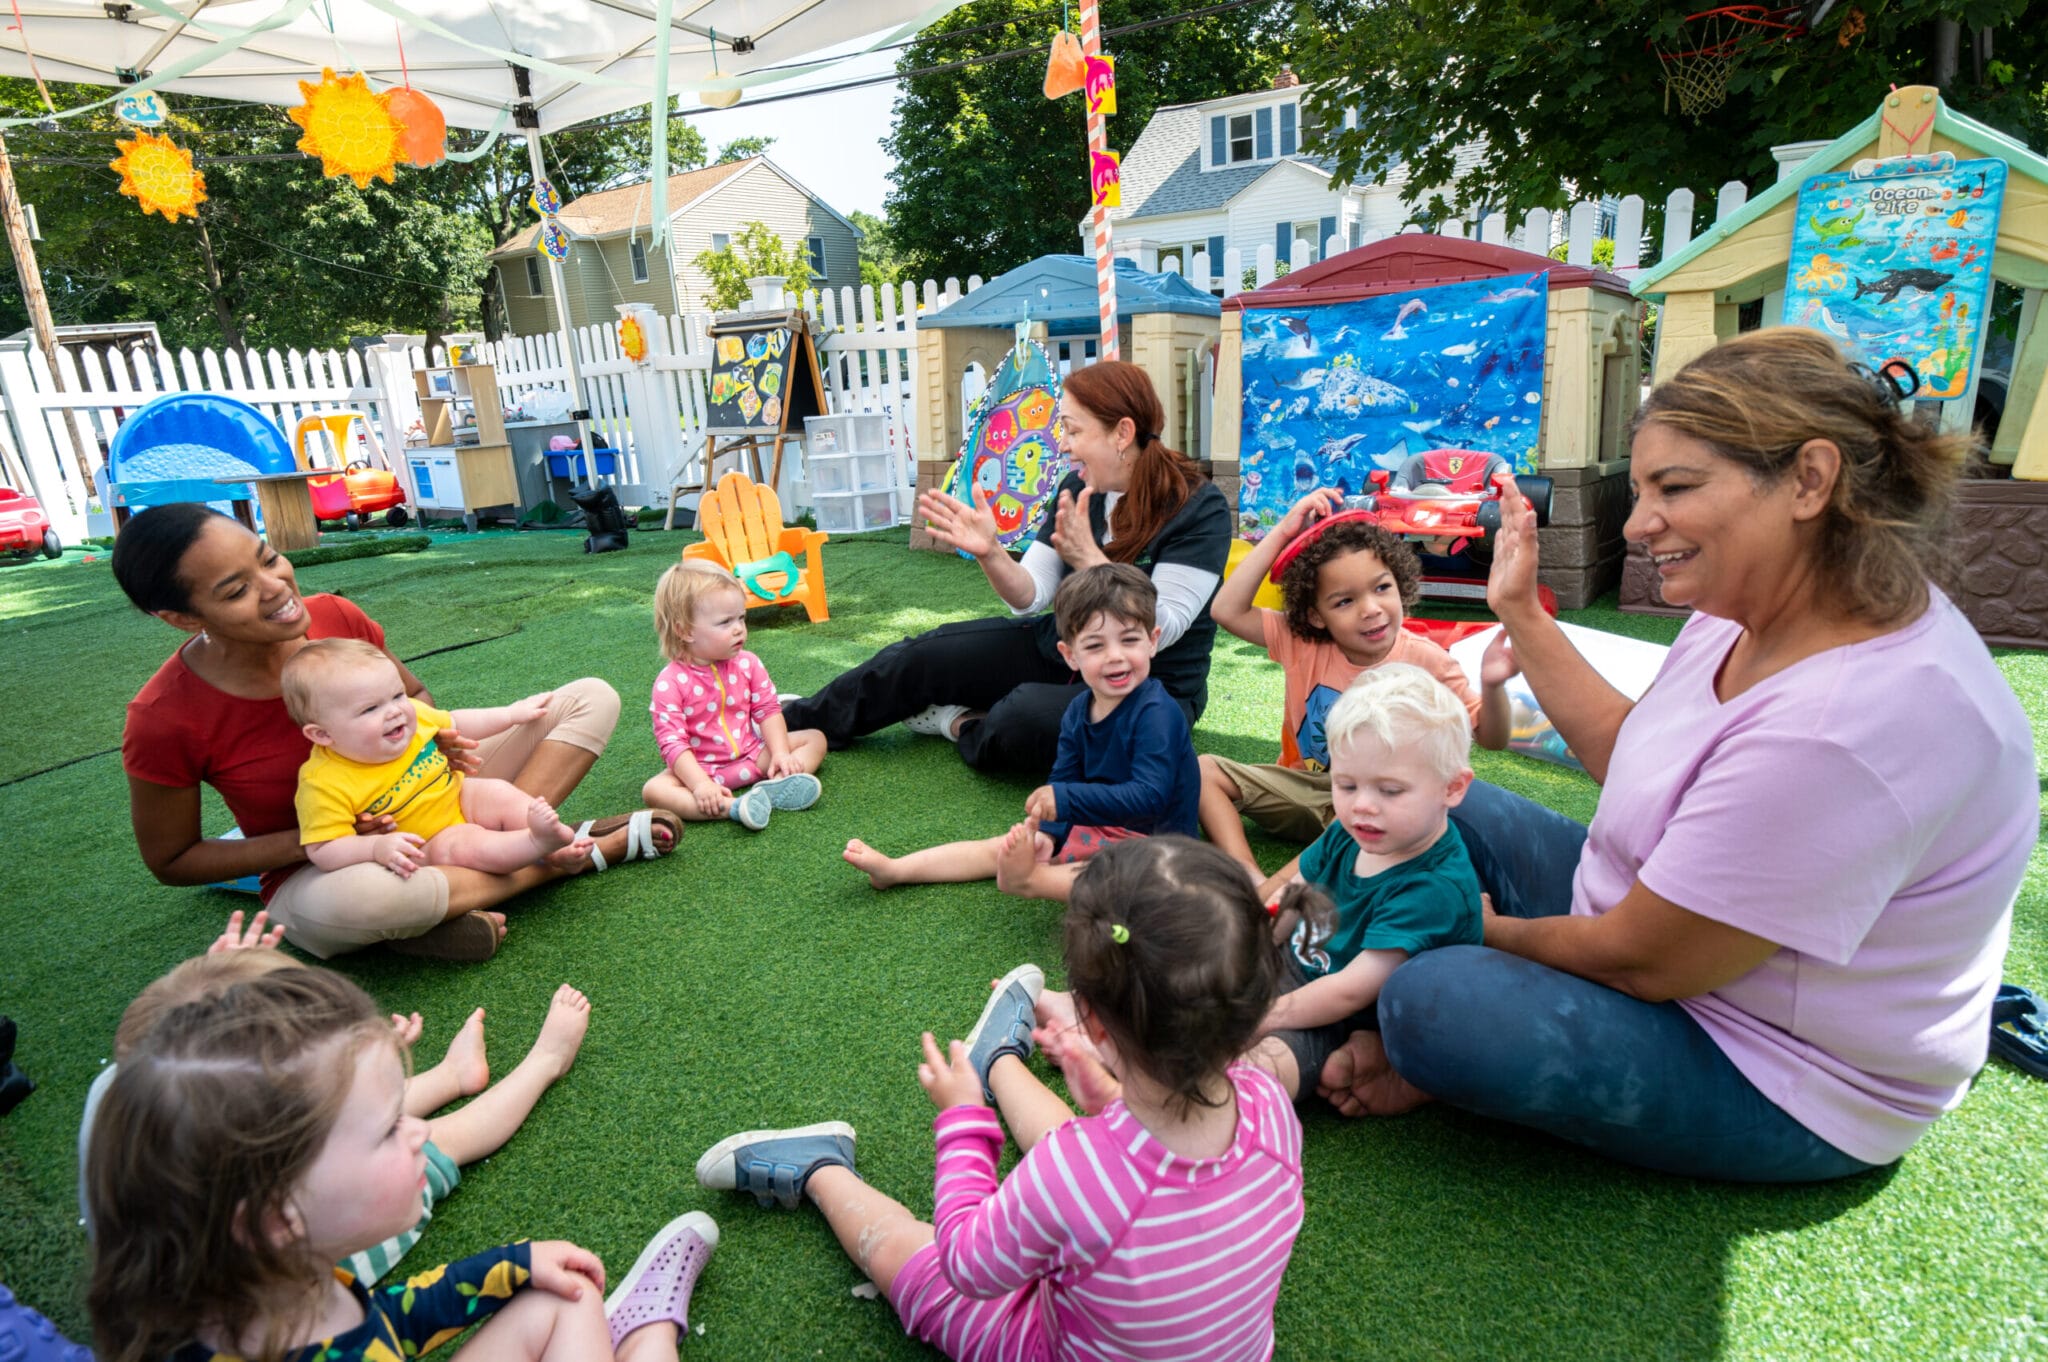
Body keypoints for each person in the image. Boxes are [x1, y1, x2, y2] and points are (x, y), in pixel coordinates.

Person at [1319, 330, 2038, 1182]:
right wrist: (1518, 609)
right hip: (1657, 922)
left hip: (1780, 1065)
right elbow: (1636, 752)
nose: (1638, 520)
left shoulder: (1851, 725)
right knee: (1431, 796)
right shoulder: (1753, 603)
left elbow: (1644, 959)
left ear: (1809, 480)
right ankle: (1348, 981)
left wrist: (1479, 930)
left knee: (1432, 1005)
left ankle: (1384, 1014)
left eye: (1676, 487)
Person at [695, 836, 1305, 1362]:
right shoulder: (1269, 1106)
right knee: (1105, 1164)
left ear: (1090, 1022)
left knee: (927, 1269)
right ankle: (1000, 1063)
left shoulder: (1076, 1171)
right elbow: (1147, 1185)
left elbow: (966, 1263)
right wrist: (1108, 1105)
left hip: (1058, 1341)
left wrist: (963, 1121)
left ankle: (821, 1168)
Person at [113, 504, 678, 963]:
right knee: (368, 901)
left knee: (588, 699)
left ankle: (459, 894)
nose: (276, 587)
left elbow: (417, 699)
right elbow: (174, 860)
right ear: (184, 618)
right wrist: (326, 840)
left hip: (436, 797)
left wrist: (436, 740)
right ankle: (567, 852)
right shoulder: (165, 716)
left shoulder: (333, 616)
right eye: (236, 590)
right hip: (327, 866)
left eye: (270, 559)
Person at [84, 966, 716, 1362]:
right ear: (280, 1217)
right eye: (389, 1130)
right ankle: (647, 1339)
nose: (419, 1133)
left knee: (563, 1297)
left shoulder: (286, 1287)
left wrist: (507, 1268)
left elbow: (388, 1320)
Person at [76, 910, 590, 1289]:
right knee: (439, 1141)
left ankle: (449, 1077)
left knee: (342, 1116)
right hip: (302, 1240)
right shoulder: (295, 1302)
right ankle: (544, 1062)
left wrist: (225, 1005)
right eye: (388, 1127)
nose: (408, 1129)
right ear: (277, 1213)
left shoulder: (130, 1094)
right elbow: (404, 1316)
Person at [1045, 665, 1483, 1109]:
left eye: (1390, 791)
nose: (1363, 806)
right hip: (1290, 967)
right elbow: (1292, 894)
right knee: (1197, 965)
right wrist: (1241, 951)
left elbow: (1352, 989)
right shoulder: (1352, 831)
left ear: (1453, 788)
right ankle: (1093, 1013)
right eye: (1346, 784)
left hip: (1343, 1017)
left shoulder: (1433, 885)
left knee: (1267, 1062)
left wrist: (1264, 1016)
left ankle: (1176, 1097)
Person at [780, 360, 1233, 776]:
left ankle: (958, 722)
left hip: (1148, 685)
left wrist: (1092, 562)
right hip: (1062, 649)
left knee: (1024, 720)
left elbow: (1166, 628)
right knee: (925, 656)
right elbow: (1031, 596)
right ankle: (784, 722)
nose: (1065, 448)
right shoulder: (1077, 486)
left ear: (1122, 432)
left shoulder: (1197, 505)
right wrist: (991, 551)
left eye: (1073, 432)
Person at [1198, 487, 1510, 878]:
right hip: (1303, 787)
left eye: (1382, 588)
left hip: (1374, 803)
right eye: (1344, 602)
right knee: (1203, 770)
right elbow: (1226, 610)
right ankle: (1248, 873)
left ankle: (1274, 892)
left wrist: (1494, 686)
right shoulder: (1302, 641)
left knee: (1368, 828)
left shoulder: (1427, 660)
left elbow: (1492, 738)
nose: (1371, 610)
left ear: (1400, 583)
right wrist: (1281, 532)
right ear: (1315, 616)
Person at [843, 565, 1200, 903]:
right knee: (1006, 845)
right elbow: (1063, 775)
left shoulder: (1158, 712)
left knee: (1120, 878)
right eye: (1095, 646)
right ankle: (896, 870)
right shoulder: (1079, 709)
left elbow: (1150, 796)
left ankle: (1033, 881)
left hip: (1160, 848)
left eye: (1129, 640)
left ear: (1153, 641)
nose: (1116, 657)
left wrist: (1066, 800)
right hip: (1097, 828)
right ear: (1070, 655)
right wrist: (1049, 833)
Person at [282, 640, 594, 878]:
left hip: (458, 797)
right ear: (322, 735)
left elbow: (455, 722)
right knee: (463, 844)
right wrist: (375, 847)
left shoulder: (410, 717)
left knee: (496, 791)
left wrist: (511, 714)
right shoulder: (323, 782)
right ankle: (537, 845)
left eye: (396, 695)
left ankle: (557, 850)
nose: (394, 711)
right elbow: (323, 849)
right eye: (369, 709)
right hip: (426, 840)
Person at [640, 560, 825, 832]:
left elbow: (768, 709)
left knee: (815, 738)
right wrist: (701, 784)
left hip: (752, 755)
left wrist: (780, 754)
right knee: (654, 790)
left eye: (741, 618)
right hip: (702, 769)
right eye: (725, 622)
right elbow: (672, 743)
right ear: (684, 631)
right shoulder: (670, 682)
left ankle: (775, 787)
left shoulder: (748, 663)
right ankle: (734, 808)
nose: (739, 628)